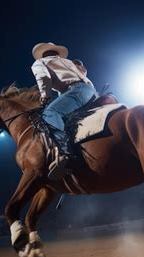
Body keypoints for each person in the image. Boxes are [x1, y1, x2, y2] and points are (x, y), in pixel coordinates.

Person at [31, 42, 97, 180]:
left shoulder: (40, 62)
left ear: (43, 54)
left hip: (76, 91)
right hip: (91, 92)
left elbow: (43, 78)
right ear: (56, 52)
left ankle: (64, 153)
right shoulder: (68, 62)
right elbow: (83, 72)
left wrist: (45, 98)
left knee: (49, 114)